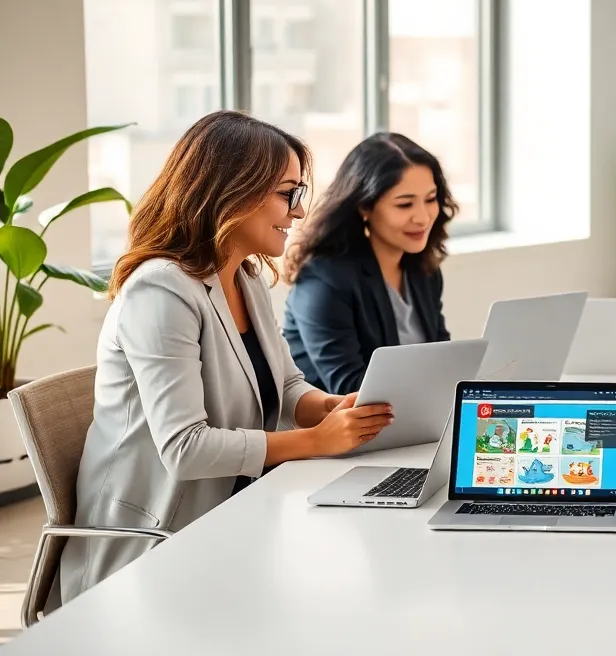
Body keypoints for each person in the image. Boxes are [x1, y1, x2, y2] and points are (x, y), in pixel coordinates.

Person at [63, 111, 395, 604]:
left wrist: (326, 407)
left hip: (236, 513)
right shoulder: (161, 291)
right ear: (233, 193)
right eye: (288, 194)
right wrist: (314, 441)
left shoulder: (245, 277)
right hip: (155, 546)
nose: (300, 211)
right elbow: (185, 448)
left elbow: (286, 386)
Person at [282, 133, 458, 394]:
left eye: (430, 199)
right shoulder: (323, 281)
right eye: (405, 204)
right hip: (342, 417)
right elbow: (350, 388)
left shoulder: (423, 269)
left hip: (414, 414)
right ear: (365, 206)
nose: (423, 217)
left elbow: (443, 358)